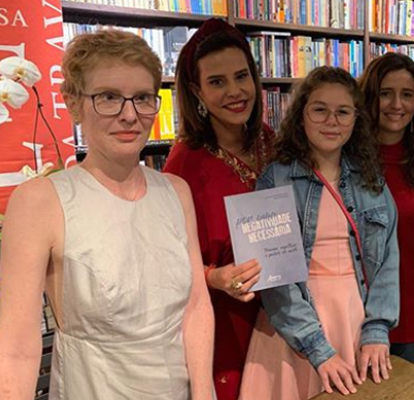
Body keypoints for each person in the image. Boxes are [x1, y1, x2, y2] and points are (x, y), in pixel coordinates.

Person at [0, 30, 214, 399]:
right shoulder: (40, 201)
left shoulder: (175, 192)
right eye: (108, 97)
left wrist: (205, 394)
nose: (130, 115)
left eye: (143, 98)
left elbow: (196, 308)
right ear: (74, 103)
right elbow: (17, 346)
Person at [239, 66, 400, 400]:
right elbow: (273, 279)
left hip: (356, 321)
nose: (332, 121)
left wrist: (377, 327)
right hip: (293, 327)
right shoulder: (273, 180)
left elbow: (387, 260)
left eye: (343, 112)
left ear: (356, 120)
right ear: (301, 116)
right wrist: (315, 346)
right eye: (320, 110)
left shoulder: (371, 181)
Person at [163, 18, 274, 400]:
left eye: (241, 76)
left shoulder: (271, 142)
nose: (235, 92)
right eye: (216, 82)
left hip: (285, 316)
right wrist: (214, 277)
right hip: (226, 325)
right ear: (196, 90)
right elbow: (168, 263)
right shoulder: (183, 166)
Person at [359, 52, 414, 367]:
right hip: (359, 302)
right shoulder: (345, 156)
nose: (397, 104)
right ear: (370, 97)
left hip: (413, 297)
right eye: (386, 93)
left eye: (407, 95)